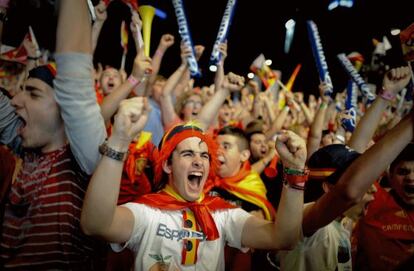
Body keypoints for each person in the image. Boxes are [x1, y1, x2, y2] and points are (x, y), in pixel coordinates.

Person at [80, 96, 307, 270]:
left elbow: (284, 238)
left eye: (204, 155)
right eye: (188, 154)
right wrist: (119, 141)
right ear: (168, 165)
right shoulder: (147, 212)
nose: (199, 161)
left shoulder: (223, 215)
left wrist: (295, 171)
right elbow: (95, 225)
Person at [0, 0, 111, 269]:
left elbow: (74, 79)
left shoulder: (84, 160)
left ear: (65, 111)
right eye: (21, 89)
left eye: (33, 93)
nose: (15, 100)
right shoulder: (21, 146)